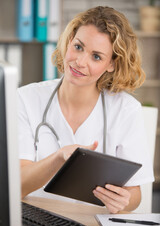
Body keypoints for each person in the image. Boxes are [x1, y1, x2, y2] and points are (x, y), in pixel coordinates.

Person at [18, 6, 154, 214]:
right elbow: (16, 186)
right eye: (79, 47)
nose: (80, 62)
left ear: (112, 64)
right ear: (70, 40)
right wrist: (58, 158)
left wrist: (123, 201)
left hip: (94, 224)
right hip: (35, 219)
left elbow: (135, 195)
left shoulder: (126, 110)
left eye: (96, 57)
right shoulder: (25, 99)